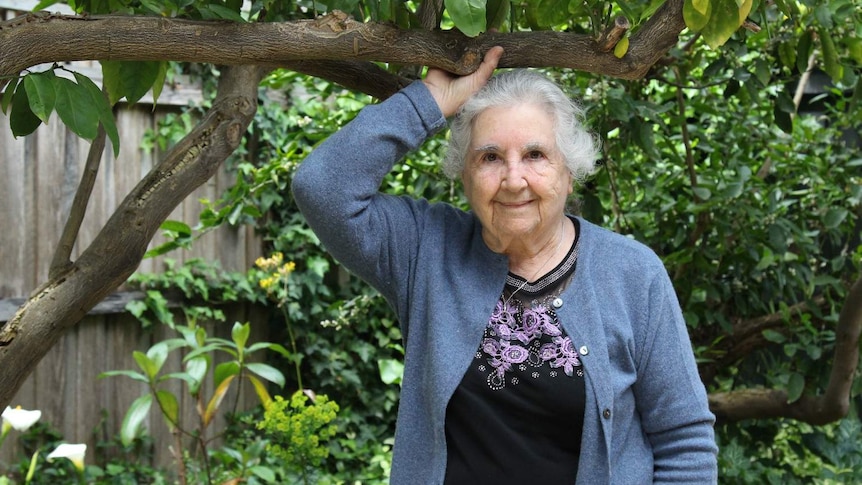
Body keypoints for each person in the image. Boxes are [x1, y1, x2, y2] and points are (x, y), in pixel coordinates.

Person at [291, 47, 718, 484]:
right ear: (464, 175)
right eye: (490, 157)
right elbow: (322, 186)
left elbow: (684, 442)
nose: (514, 180)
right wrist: (431, 99)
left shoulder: (633, 274)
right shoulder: (425, 250)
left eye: (535, 155)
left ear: (569, 173)